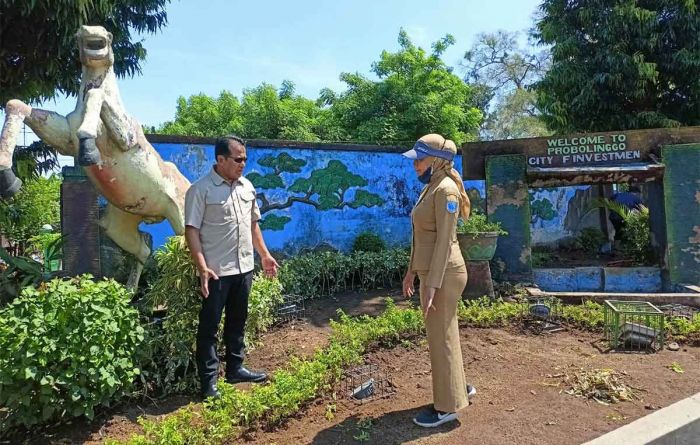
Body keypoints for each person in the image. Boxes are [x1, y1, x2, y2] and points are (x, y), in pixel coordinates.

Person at [184, 135, 280, 399]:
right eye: (238, 159)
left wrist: (264, 255)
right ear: (220, 159)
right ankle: (208, 382)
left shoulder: (246, 187)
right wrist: (202, 267)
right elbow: (191, 230)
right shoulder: (200, 190)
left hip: (244, 268)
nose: (243, 164)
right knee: (209, 327)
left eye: (245, 159)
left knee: (238, 322)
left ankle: (236, 368)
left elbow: (253, 225)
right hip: (216, 272)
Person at [401, 133, 476, 428]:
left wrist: (430, 285)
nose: (415, 165)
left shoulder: (445, 191)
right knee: (445, 334)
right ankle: (458, 387)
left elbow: (444, 242)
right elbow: (421, 237)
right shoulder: (432, 187)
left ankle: (447, 407)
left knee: (440, 337)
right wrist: (411, 272)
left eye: (420, 159)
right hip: (434, 272)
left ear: (438, 161)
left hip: (443, 274)